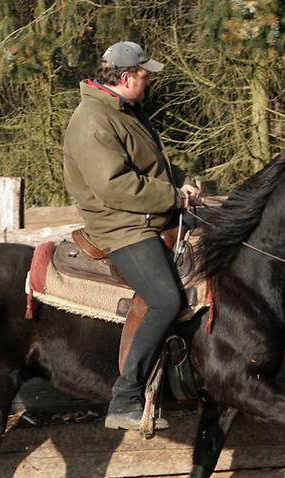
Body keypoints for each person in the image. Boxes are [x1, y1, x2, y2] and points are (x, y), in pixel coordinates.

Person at [63, 40, 203, 431]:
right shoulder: (92, 120)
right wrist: (174, 197)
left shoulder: (125, 111)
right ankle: (125, 396)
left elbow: (151, 167)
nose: (148, 83)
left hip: (147, 211)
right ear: (125, 77)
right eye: (145, 76)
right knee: (164, 298)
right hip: (121, 223)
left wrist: (183, 184)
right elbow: (116, 187)